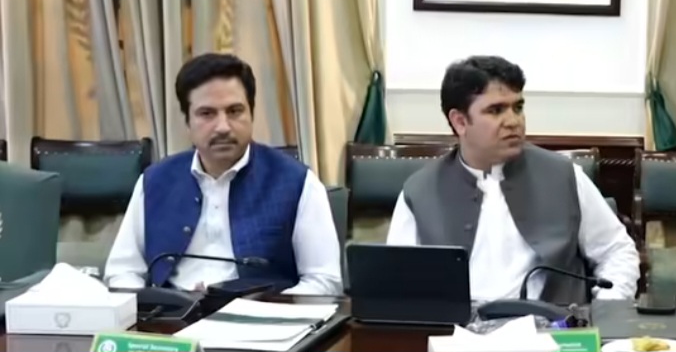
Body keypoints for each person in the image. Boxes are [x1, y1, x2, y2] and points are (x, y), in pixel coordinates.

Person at [385, 55, 640, 304]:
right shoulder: (419, 192)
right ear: (460, 121)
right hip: (458, 329)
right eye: (496, 110)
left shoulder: (565, 177)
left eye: (518, 107)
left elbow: (617, 252)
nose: (513, 121)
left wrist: (606, 311)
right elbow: (397, 282)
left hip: (551, 326)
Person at [104, 53, 341, 295]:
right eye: (207, 113)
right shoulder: (155, 181)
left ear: (252, 114)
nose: (223, 127)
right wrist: (143, 306)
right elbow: (123, 271)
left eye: (234, 111)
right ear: (187, 122)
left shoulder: (297, 181)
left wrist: (272, 309)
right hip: (171, 312)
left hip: (262, 313)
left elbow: (324, 281)